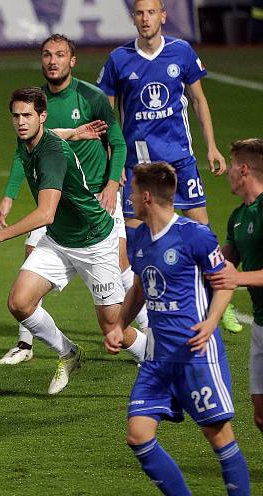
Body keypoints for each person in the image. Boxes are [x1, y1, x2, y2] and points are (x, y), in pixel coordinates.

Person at [0, 33, 148, 366]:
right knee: (24, 283)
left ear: (72, 60)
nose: (53, 61)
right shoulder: (34, 109)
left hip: (95, 204)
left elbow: (118, 143)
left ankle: (153, 343)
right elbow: (28, 152)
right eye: (47, 54)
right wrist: (8, 197)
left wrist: (111, 184)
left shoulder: (90, 96)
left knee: (116, 299)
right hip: (59, 208)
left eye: (60, 54)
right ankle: (38, 345)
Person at [0, 87, 135, 395]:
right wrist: (74, 132)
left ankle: (156, 356)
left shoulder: (52, 155)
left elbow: (46, 213)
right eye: (16, 115)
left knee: (114, 328)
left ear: (41, 116)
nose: (20, 122)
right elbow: (54, 133)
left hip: (93, 241)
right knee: (19, 302)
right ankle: (69, 352)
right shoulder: (30, 139)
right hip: (59, 241)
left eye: (27, 115)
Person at [103, 161, 250, 496]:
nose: (129, 199)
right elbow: (140, 288)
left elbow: (224, 283)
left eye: (133, 193)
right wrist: (119, 325)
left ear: (147, 197)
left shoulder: (193, 236)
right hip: (157, 360)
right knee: (138, 435)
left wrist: (211, 322)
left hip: (195, 356)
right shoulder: (139, 238)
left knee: (219, 437)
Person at [96, 0, 242, 333]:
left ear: (163, 16)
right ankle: (150, 315)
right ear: (133, 18)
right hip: (138, 168)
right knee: (136, 244)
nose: (145, 19)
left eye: (151, 12)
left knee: (202, 231)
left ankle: (221, 297)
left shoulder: (182, 52)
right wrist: (113, 161)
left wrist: (212, 147)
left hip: (179, 163)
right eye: (139, 13)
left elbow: (199, 100)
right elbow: (107, 115)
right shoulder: (119, 59)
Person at [206, 138, 263, 433]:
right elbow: (222, 265)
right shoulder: (238, 217)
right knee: (261, 417)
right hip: (260, 324)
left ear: (243, 170)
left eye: (231, 165)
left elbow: (233, 275)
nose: (226, 171)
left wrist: (238, 279)